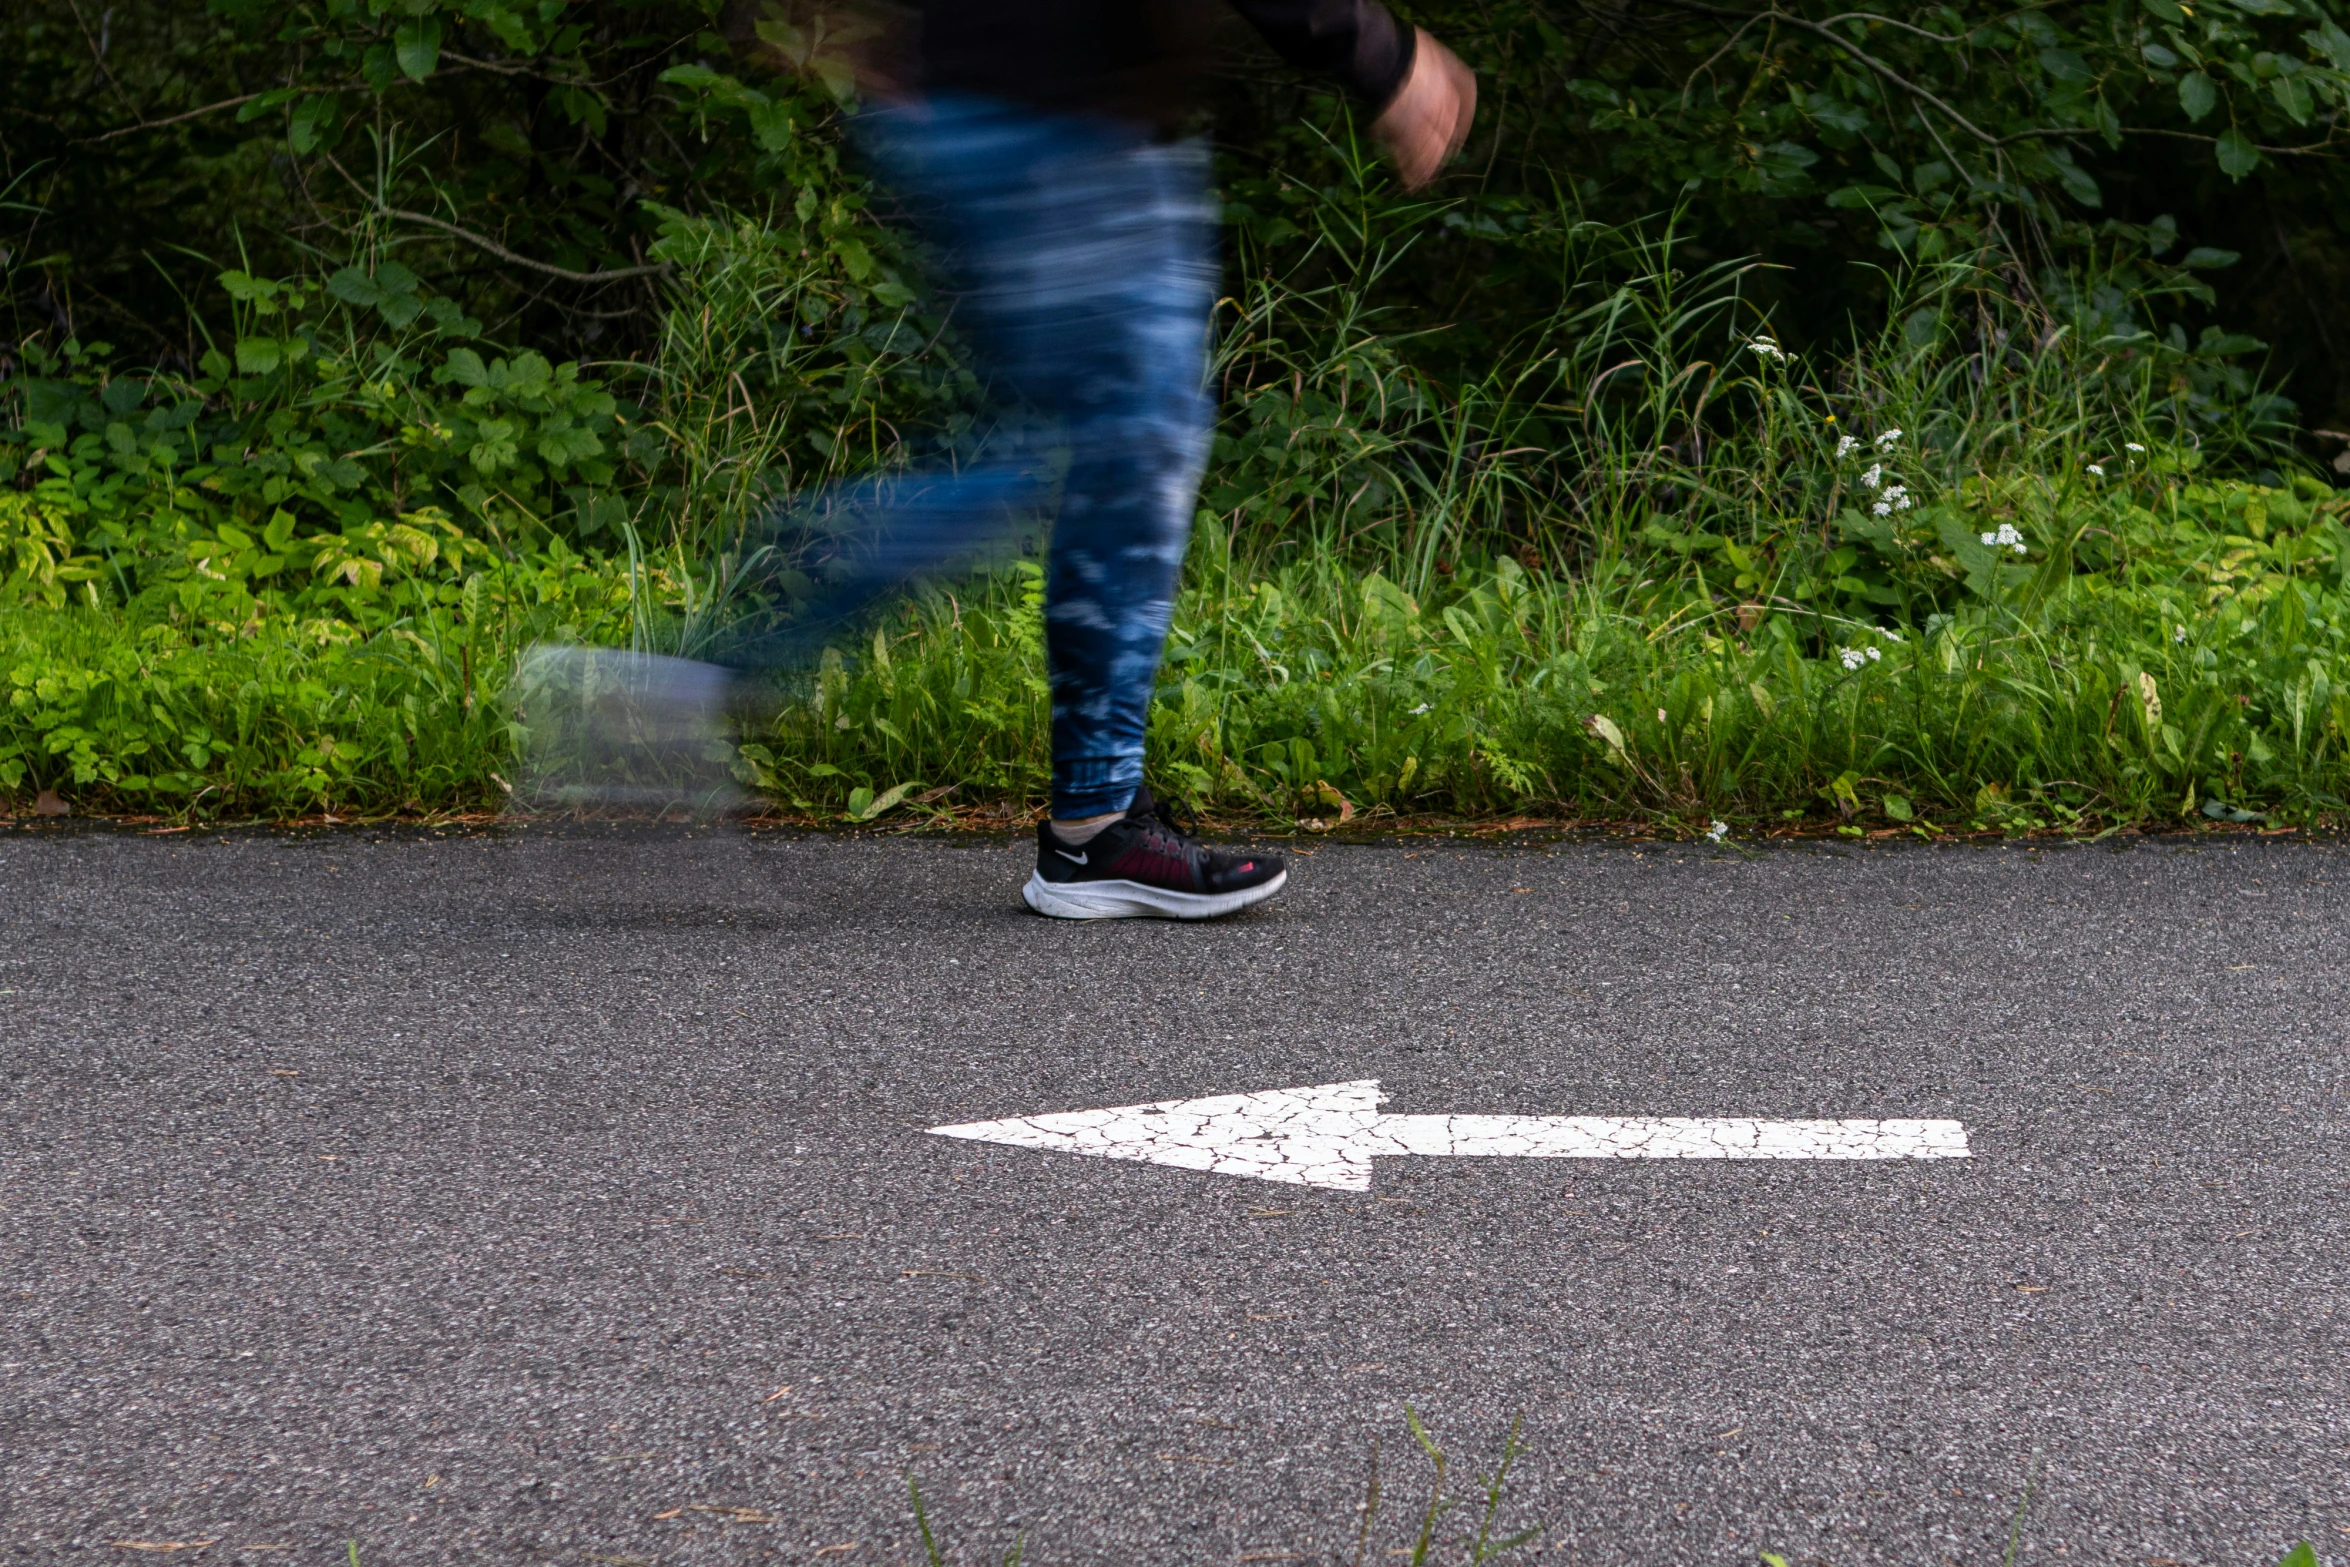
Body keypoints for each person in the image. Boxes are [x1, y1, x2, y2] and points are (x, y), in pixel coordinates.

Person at [738, 0, 1477, 920]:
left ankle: (722, 665)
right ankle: (1091, 826)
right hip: (1067, 116)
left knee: (1065, 452)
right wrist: (1372, 47)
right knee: (1131, 443)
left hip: (969, 95)